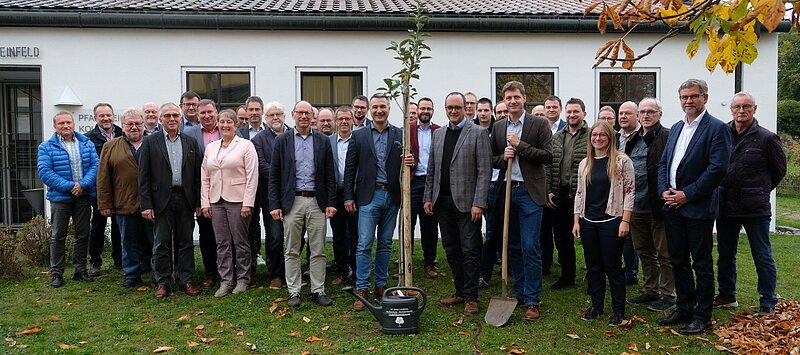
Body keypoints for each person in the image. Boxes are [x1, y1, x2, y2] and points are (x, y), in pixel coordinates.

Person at [657, 79, 732, 335]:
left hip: (697, 207)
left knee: (701, 263)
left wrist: (687, 195)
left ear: (705, 98)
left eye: (694, 96)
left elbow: (717, 169)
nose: (688, 101)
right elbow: (664, 163)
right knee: (677, 260)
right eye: (684, 97)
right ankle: (684, 307)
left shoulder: (717, 128)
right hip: (672, 206)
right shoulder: (676, 128)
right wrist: (663, 191)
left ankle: (703, 316)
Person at [715, 92, 786, 315]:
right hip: (726, 205)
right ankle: (727, 294)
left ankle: (768, 301)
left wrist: (760, 190)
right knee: (726, 253)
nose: (741, 111)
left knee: (762, 254)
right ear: (731, 110)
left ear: (755, 109)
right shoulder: (722, 134)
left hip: (755, 207)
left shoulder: (766, 138)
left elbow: (779, 171)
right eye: (737, 107)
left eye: (747, 107)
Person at [424, 92, 491, 315]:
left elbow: (484, 171)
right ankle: (460, 290)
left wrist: (479, 203)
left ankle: (472, 297)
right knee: (451, 249)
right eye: (449, 107)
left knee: (470, 249)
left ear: (465, 108)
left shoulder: (478, 133)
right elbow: (432, 169)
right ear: (445, 109)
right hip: (442, 203)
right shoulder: (439, 134)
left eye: (457, 107)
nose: (453, 111)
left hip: (467, 204)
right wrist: (428, 197)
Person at [344, 93, 413, 310]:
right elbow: (350, 169)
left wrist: (410, 160)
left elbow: (408, 164)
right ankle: (362, 286)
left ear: (389, 109)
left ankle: (380, 285)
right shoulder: (360, 136)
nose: (379, 110)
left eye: (383, 106)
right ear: (370, 110)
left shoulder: (400, 134)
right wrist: (348, 196)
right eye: (375, 107)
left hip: (392, 196)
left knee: (384, 243)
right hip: (368, 196)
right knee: (364, 244)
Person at [490, 81, 553, 320]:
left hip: (529, 192)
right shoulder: (497, 127)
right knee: (512, 245)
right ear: (504, 101)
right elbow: (491, 158)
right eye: (508, 98)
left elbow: (547, 156)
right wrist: (502, 156)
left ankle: (532, 299)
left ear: (524, 98)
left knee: (530, 246)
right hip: (506, 190)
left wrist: (520, 145)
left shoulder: (539, 124)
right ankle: (518, 289)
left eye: (516, 97)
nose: (513, 101)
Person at [269, 101, 337, 307]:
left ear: (313, 116)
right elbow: (274, 176)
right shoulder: (282, 141)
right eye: (300, 112)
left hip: (317, 201)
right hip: (292, 202)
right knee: (291, 249)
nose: (304, 116)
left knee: (318, 249)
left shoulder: (323, 141)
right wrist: (275, 204)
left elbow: (329, 175)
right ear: (293, 115)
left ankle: (318, 290)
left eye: (308, 113)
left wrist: (331, 202)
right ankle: (294, 291)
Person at [572, 121, 635, 327]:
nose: (597, 139)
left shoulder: (621, 161)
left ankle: (618, 311)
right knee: (593, 267)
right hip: (588, 221)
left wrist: (625, 220)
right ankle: (596, 306)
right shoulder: (585, 163)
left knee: (613, 267)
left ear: (610, 138)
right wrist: (576, 220)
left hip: (612, 220)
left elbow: (629, 192)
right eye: (594, 135)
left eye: (602, 135)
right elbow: (579, 193)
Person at [139, 103, 203, 298]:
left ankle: (186, 279)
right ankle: (163, 281)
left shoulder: (190, 141)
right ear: (160, 119)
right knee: (161, 242)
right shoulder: (150, 142)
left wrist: (199, 201)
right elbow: (143, 176)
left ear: (180, 117)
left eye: (175, 115)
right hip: (160, 199)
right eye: (167, 116)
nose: (172, 119)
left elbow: (197, 175)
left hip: (185, 197)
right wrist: (146, 204)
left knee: (186, 241)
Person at [625, 98, 676, 312]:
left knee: (664, 253)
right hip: (636, 206)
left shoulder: (667, 136)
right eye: (642, 112)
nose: (646, 116)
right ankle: (650, 290)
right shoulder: (633, 139)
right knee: (644, 251)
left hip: (658, 205)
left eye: (651, 112)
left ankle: (669, 294)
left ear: (660, 114)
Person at [200, 109, 259, 297]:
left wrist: (248, 203)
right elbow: (205, 176)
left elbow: (252, 176)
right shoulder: (211, 147)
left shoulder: (246, 145)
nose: (225, 125)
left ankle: (243, 279)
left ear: (236, 125)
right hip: (216, 200)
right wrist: (205, 202)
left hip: (238, 200)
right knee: (222, 242)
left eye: (229, 122)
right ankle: (226, 280)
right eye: (222, 122)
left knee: (240, 241)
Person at [38, 112, 99, 288]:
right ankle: (57, 273)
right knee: (58, 236)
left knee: (82, 234)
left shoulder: (86, 143)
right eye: (61, 123)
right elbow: (45, 172)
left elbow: (95, 166)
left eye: (68, 122)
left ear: (74, 124)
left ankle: (80, 270)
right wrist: (71, 186)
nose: (65, 125)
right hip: (61, 198)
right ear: (55, 126)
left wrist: (83, 185)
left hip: (83, 196)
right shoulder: (46, 147)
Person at [96, 108, 153, 288]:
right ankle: (132, 274)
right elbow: (103, 177)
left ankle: (157, 271)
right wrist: (104, 203)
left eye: (138, 123)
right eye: (130, 124)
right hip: (124, 202)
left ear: (144, 125)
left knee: (155, 240)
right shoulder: (110, 146)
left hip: (152, 203)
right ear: (122, 126)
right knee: (128, 240)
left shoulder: (154, 143)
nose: (134, 127)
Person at [548, 98, 589, 290]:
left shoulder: (591, 136)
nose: (572, 115)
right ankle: (567, 275)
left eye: (576, 112)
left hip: (583, 194)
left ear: (584, 114)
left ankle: (593, 275)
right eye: (569, 112)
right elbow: (549, 165)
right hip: (560, 194)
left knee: (588, 238)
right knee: (562, 238)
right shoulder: (556, 137)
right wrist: (549, 190)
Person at [185, 99, 221, 287]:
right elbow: (189, 169)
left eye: (210, 112)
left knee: (227, 235)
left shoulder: (228, 129)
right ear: (197, 115)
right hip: (203, 192)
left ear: (216, 112)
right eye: (203, 113)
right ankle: (210, 272)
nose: (207, 116)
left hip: (227, 191)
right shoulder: (189, 134)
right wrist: (198, 199)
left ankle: (228, 271)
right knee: (206, 235)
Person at [253, 101, 289, 288]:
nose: (276, 118)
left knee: (294, 237)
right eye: (271, 115)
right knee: (274, 236)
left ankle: (291, 272)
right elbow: (261, 165)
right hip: (271, 196)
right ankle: (275, 273)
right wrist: (286, 176)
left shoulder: (294, 135)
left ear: (285, 115)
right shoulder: (258, 140)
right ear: (265, 119)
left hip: (295, 196)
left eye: (279, 114)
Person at [85, 103, 123, 276]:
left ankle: (119, 259)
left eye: (109, 115)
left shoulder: (123, 133)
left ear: (113, 116)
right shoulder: (88, 139)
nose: (106, 118)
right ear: (95, 118)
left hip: (121, 189)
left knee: (118, 225)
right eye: (102, 116)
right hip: (99, 190)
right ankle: (95, 261)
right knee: (98, 225)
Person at [409, 97, 441, 279]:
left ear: (433, 111)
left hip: (432, 182)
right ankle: (407, 262)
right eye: (422, 108)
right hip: (413, 181)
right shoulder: (408, 130)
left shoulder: (439, 131)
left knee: (430, 224)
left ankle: (430, 263)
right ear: (418, 110)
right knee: (409, 223)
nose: (425, 111)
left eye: (428, 108)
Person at [328, 106, 359, 285]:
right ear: (336, 121)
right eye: (341, 119)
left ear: (353, 120)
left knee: (356, 235)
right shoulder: (329, 141)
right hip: (336, 195)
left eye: (348, 118)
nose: (344, 122)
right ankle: (341, 270)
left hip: (356, 195)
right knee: (338, 234)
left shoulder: (360, 140)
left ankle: (356, 271)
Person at [616, 101, 641, 286]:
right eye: (621, 113)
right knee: (622, 235)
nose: (623, 117)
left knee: (633, 236)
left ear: (637, 115)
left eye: (628, 113)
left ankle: (632, 271)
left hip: (637, 190)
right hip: (617, 192)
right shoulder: (617, 137)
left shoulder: (642, 136)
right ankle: (623, 268)